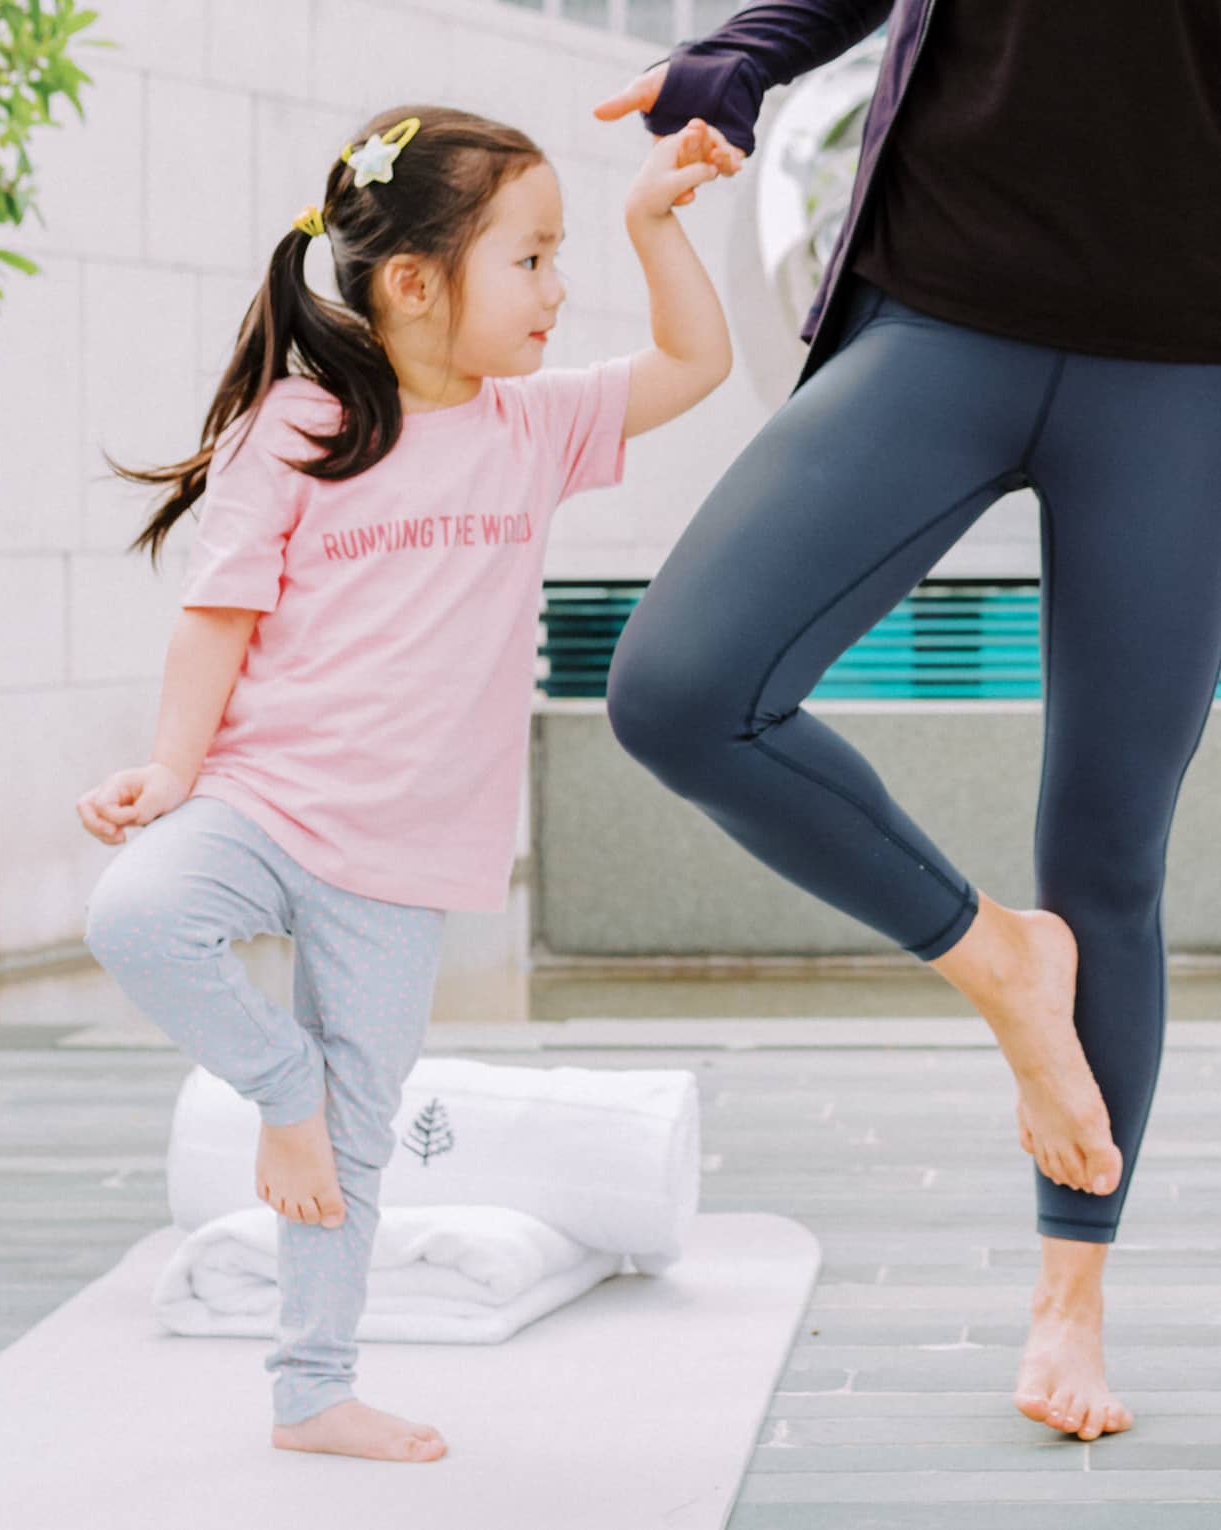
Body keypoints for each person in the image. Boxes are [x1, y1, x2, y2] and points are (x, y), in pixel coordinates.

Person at [77, 103, 745, 1463]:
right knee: (136, 915)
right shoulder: (304, 421)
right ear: (412, 281)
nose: (557, 294)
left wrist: (648, 221)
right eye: (533, 261)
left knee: (363, 1145)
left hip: (408, 857)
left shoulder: (536, 426)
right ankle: (282, 1091)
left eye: (561, 260)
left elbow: (696, 358)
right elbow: (221, 607)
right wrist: (170, 770)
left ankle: (312, 1391)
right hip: (262, 799)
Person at [594, 0, 1221, 1445]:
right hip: (941, 302)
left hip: (1185, 368)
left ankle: (1072, 1291)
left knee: (1107, 856)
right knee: (683, 688)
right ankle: (998, 960)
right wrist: (745, 55)